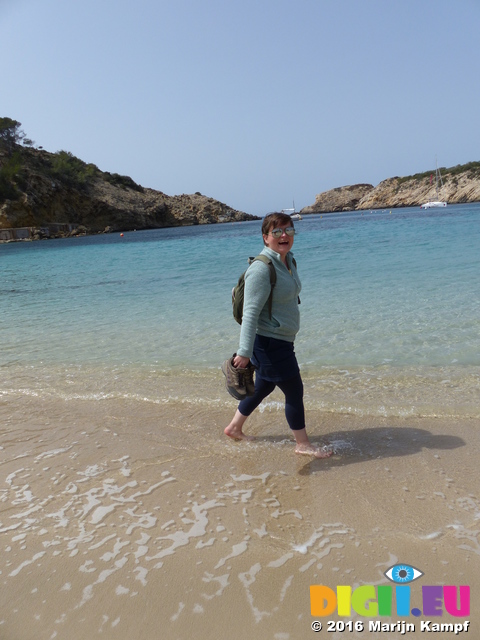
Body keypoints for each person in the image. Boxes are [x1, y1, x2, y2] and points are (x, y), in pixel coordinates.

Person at [224, 212, 333, 458]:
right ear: (266, 238)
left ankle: (234, 428)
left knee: (263, 386)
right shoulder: (261, 269)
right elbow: (250, 313)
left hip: (281, 339)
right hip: (269, 342)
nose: (284, 235)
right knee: (294, 390)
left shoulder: (288, 260)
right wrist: (243, 352)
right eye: (277, 232)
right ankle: (302, 444)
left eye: (289, 230)